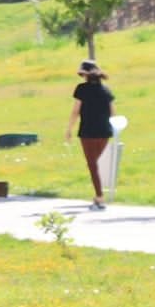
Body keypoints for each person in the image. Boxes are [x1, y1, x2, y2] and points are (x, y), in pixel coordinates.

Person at [66, 59, 116, 209]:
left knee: (92, 165)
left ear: (84, 75)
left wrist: (69, 129)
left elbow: (76, 111)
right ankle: (99, 195)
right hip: (105, 131)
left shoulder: (81, 89)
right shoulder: (106, 90)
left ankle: (99, 197)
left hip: (88, 131)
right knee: (98, 164)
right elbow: (113, 112)